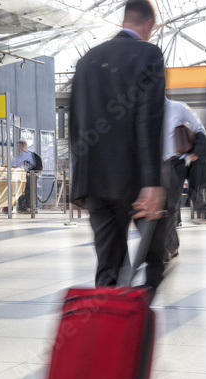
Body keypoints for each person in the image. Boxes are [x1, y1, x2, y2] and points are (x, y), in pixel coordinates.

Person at [70, 0, 166, 296]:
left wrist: (81, 177)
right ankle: (134, 322)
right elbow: (148, 120)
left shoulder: (87, 59)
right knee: (155, 261)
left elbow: (75, 125)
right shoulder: (149, 54)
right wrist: (151, 182)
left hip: (95, 181)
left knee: (108, 268)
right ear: (149, 24)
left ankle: (110, 332)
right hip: (135, 181)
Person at [163, 97, 206, 260]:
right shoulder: (144, 109)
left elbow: (199, 127)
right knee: (160, 207)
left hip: (176, 163)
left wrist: (195, 152)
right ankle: (169, 245)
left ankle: (169, 247)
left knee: (171, 205)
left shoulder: (178, 107)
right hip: (153, 164)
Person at [11, 139, 36, 212]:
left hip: (31, 174)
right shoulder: (25, 154)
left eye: (20, 146)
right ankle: (27, 207)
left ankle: (29, 207)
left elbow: (18, 161)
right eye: (19, 146)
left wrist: (10, 165)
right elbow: (19, 163)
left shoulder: (26, 154)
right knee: (27, 190)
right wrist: (13, 166)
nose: (19, 148)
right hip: (29, 174)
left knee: (29, 191)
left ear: (24, 146)